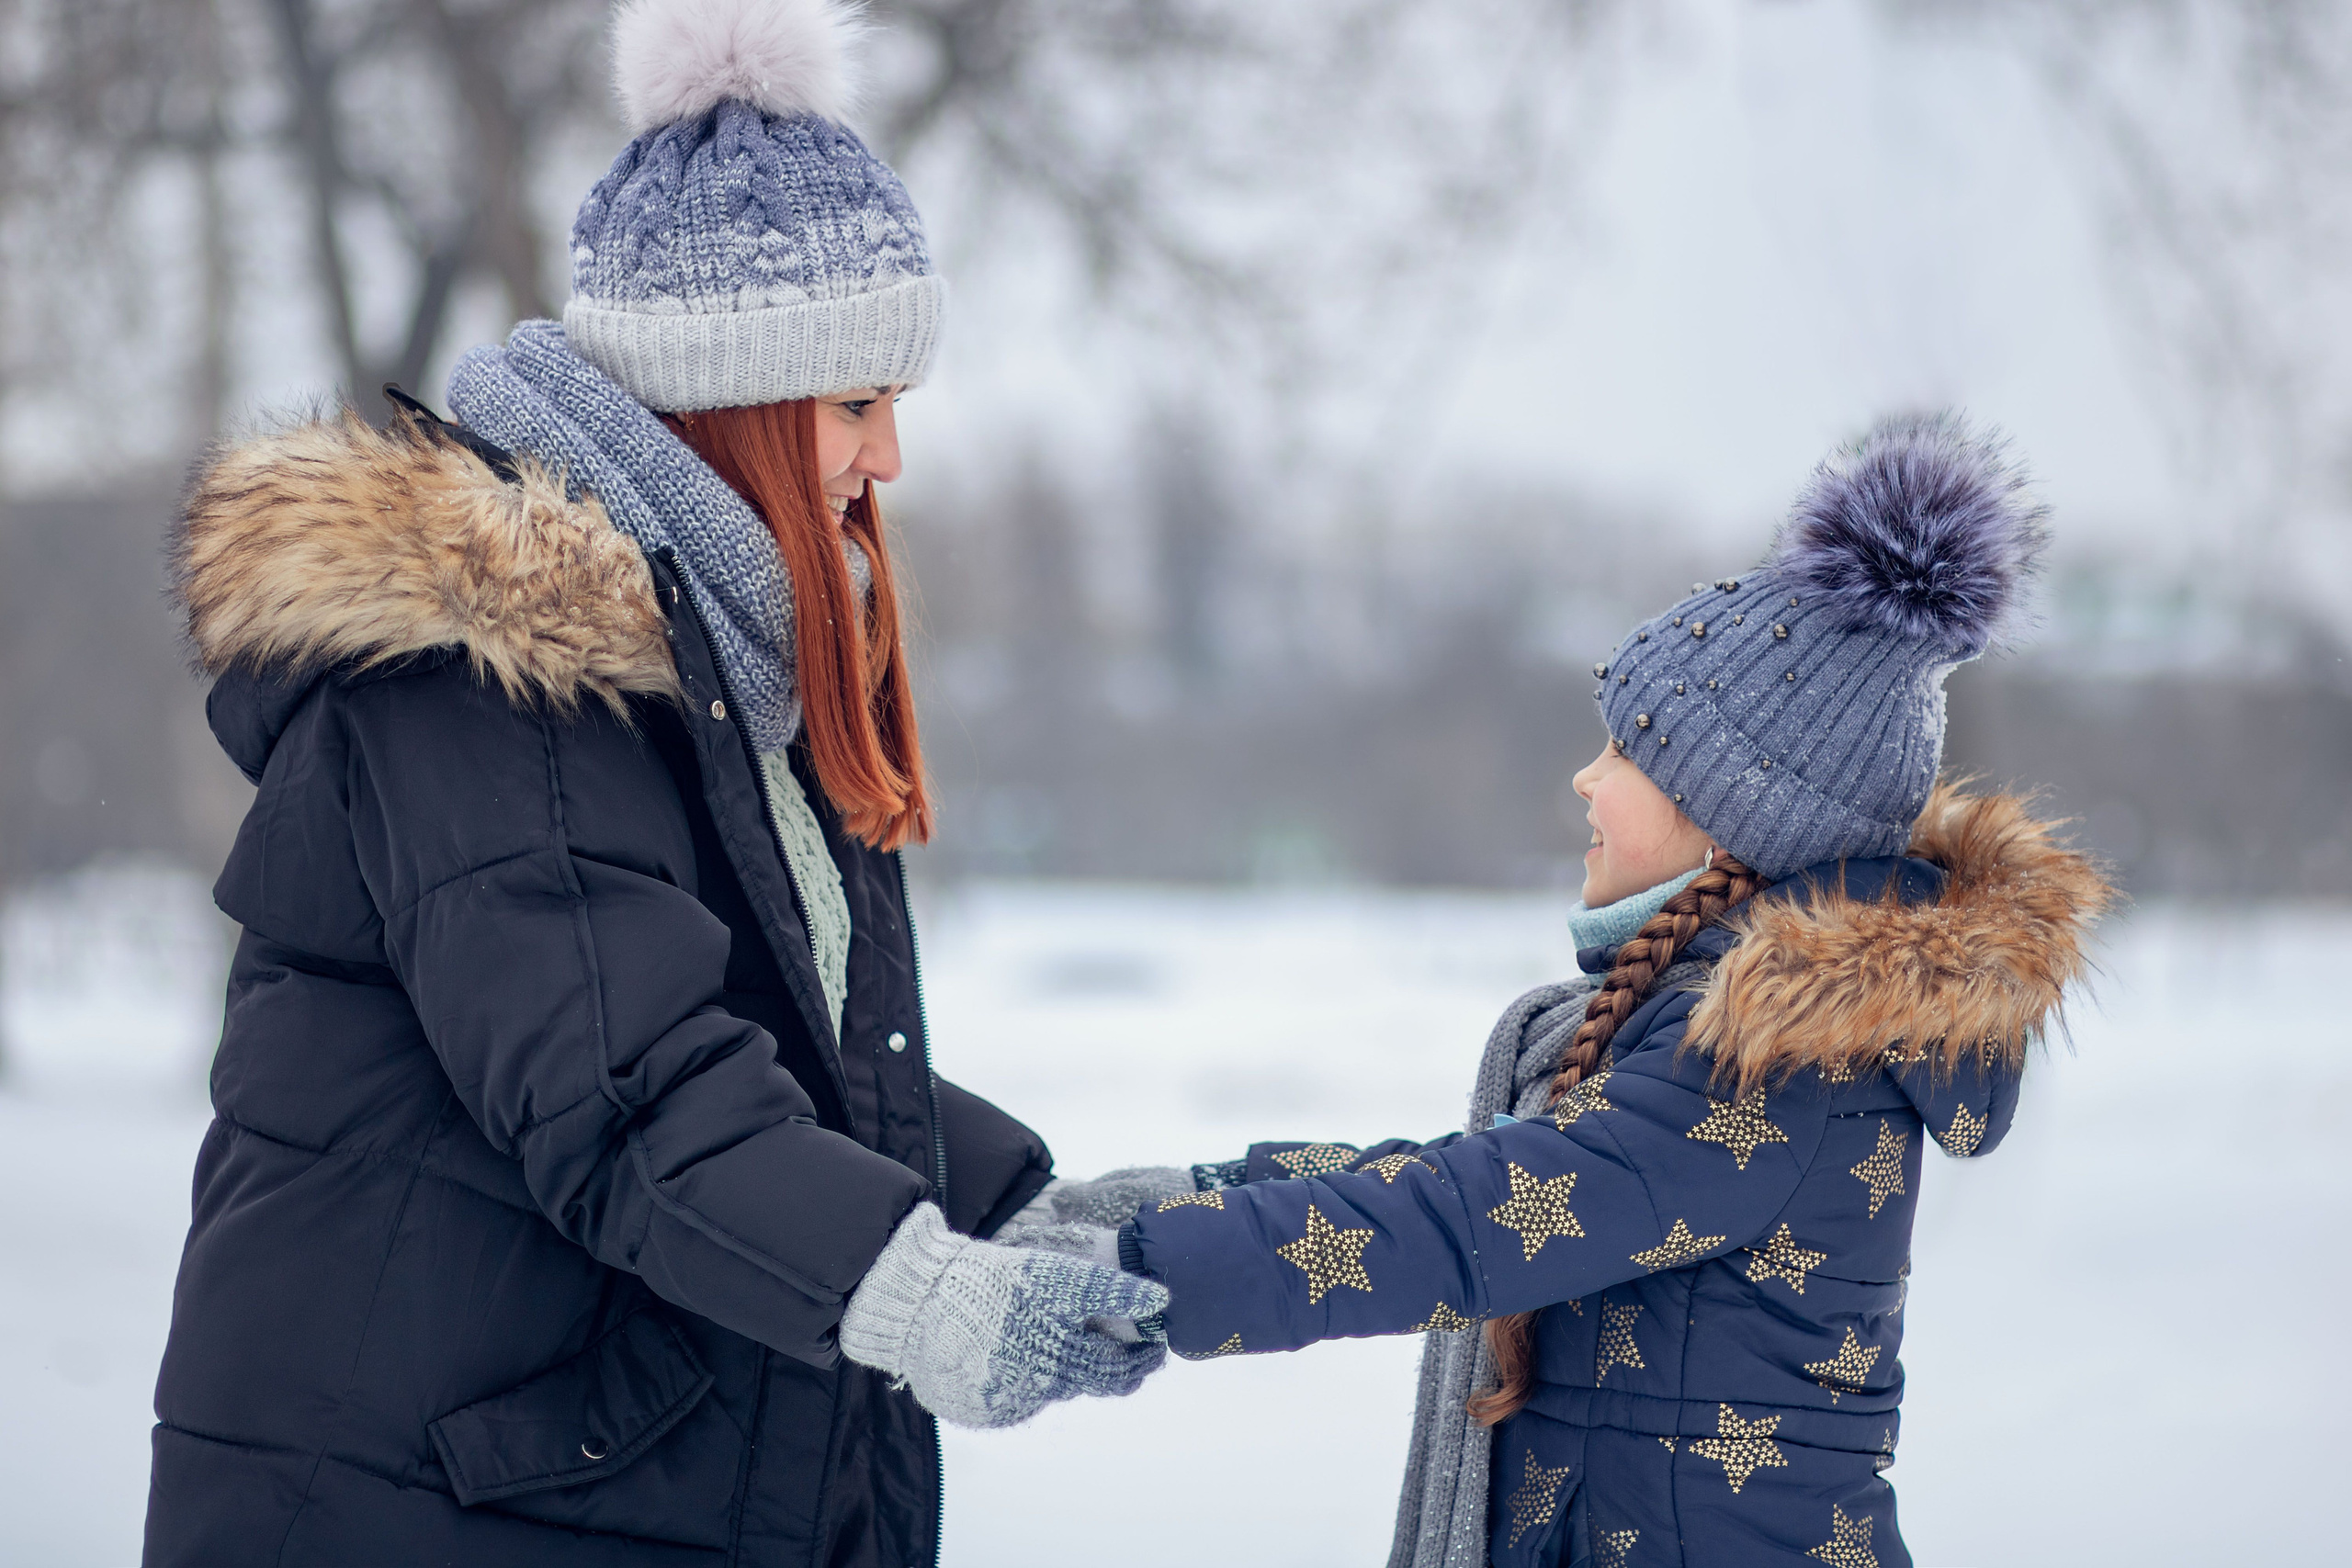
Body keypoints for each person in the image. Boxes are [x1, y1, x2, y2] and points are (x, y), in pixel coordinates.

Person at [145, 2, 1166, 1562]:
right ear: (732, 400)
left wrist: (1004, 1204)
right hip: (410, 1496)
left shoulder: (703, 664)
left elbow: (767, 1033)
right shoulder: (478, 677)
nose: (887, 455)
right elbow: (628, 1095)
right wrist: (917, 1284)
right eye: (851, 403)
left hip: (577, 1472)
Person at [1107, 415, 2115, 1567]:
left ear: (1738, 805)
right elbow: (1492, 1172)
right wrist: (1186, 1196)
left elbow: (1468, 1219)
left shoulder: (1773, 1062)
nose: (1586, 779)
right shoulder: (1735, 1031)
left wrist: (1149, 1269)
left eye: (1627, 749)